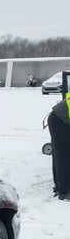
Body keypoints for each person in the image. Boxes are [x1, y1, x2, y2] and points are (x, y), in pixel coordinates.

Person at [47, 71, 70, 200]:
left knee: (60, 154)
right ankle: (65, 191)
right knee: (64, 155)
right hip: (60, 120)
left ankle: (59, 186)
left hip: (61, 118)